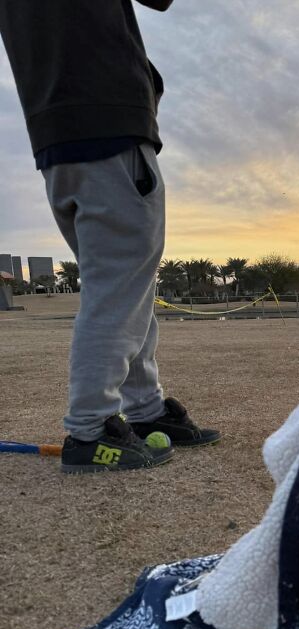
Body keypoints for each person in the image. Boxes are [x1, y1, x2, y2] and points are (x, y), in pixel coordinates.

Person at [0, 0, 220, 473]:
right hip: (107, 122)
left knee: (124, 286)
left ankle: (144, 410)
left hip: (57, 134)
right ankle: (91, 430)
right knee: (120, 286)